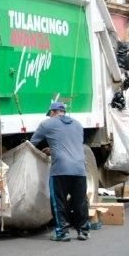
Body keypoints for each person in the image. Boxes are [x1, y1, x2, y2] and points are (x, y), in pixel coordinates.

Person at [29, 101, 90, 242]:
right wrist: (53, 150)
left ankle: (62, 232)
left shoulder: (47, 124)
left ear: (52, 112)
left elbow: (31, 144)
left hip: (60, 170)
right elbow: (70, 145)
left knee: (58, 202)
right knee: (80, 201)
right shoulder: (78, 125)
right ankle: (84, 231)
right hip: (80, 169)